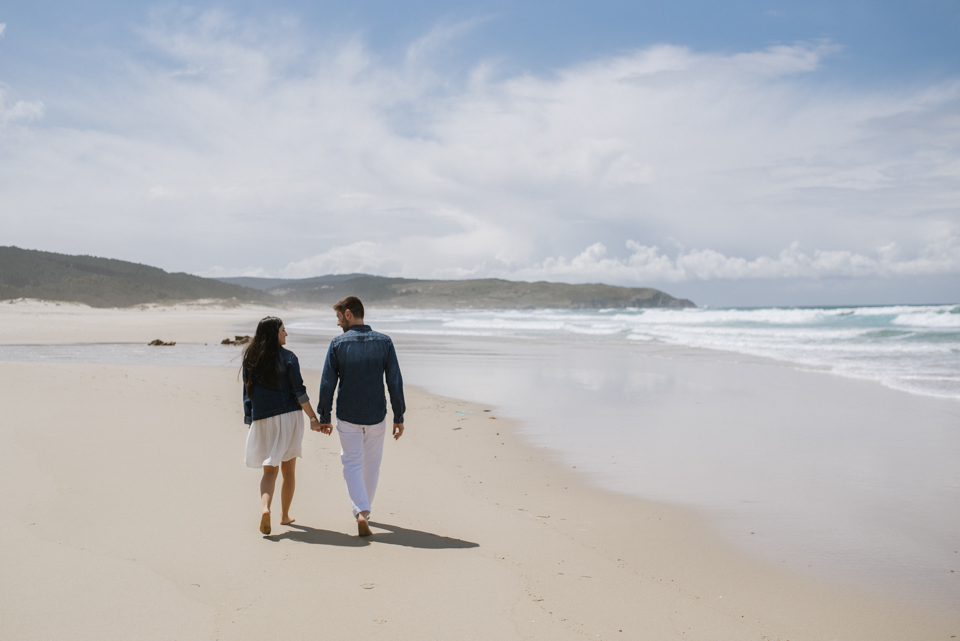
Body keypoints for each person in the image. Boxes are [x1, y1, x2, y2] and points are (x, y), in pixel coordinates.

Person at [314, 296, 405, 537]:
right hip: (376, 414)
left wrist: (324, 415)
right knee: (372, 464)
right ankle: (365, 511)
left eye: (337, 317)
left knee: (352, 462)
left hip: (348, 414)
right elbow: (394, 381)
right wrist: (399, 415)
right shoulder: (384, 342)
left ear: (348, 314)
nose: (337, 324)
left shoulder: (337, 344)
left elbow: (327, 383)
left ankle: (361, 511)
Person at [242, 316, 330, 535]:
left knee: (269, 472)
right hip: (288, 417)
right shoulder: (289, 358)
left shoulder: (251, 358)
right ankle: (284, 516)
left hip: (262, 418)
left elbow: (247, 394)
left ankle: (265, 509)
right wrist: (313, 418)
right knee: (288, 471)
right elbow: (299, 392)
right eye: (283, 330)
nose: (286, 334)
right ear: (274, 333)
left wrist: (250, 419)